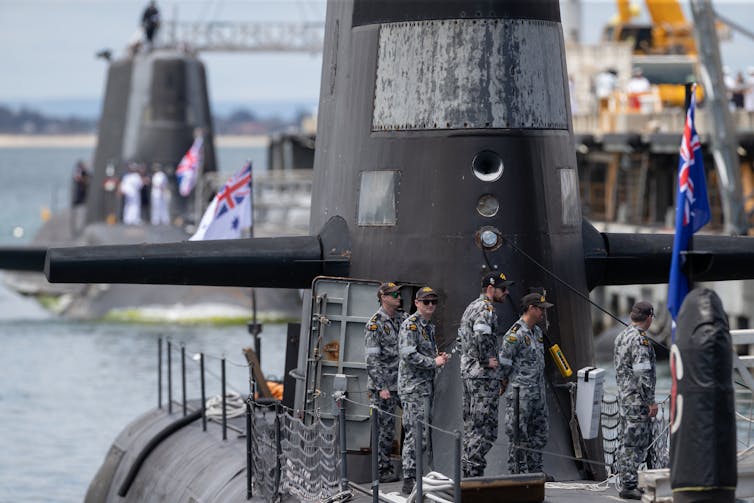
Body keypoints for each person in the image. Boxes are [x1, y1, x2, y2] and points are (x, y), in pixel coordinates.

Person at [458, 271, 513, 478]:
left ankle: (469, 469)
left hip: (469, 374)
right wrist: (485, 360)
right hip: (482, 376)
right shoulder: (485, 308)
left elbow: (461, 338)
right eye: (503, 288)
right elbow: (481, 333)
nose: (506, 292)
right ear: (491, 289)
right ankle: (473, 471)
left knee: (472, 426)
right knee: (486, 429)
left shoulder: (471, 307)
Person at [398, 286, 449, 494]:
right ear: (417, 303)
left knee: (423, 432)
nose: (430, 305)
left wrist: (439, 359)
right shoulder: (410, 325)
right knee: (415, 432)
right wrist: (433, 362)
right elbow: (409, 355)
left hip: (425, 386)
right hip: (413, 387)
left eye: (433, 302)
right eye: (426, 302)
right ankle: (409, 478)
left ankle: (418, 472)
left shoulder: (428, 326)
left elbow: (426, 354)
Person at [499, 292, 553, 475]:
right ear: (531, 308)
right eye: (541, 309)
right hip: (520, 393)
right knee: (518, 433)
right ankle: (518, 472)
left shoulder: (536, 333)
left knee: (539, 432)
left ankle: (536, 471)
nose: (543, 314)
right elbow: (504, 364)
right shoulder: (515, 335)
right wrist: (505, 383)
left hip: (537, 392)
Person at [613, 301, 657, 500]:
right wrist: (650, 401)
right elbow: (642, 373)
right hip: (637, 401)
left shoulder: (622, 336)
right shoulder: (640, 340)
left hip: (625, 398)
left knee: (626, 441)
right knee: (635, 445)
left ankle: (627, 481)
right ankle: (629, 485)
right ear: (649, 318)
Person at [365, 282, 407, 483]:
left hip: (404, 383)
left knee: (413, 421)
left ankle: (410, 466)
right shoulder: (375, 324)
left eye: (399, 294)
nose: (399, 297)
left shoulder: (403, 319)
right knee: (385, 430)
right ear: (383, 297)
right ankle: (383, 470)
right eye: (395, 294)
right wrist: (381, 387)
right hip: (384, 386)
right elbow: (371, 360)